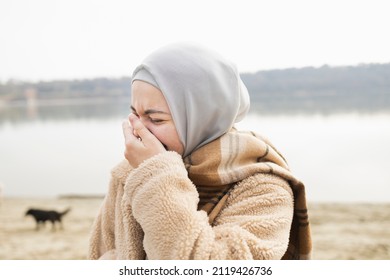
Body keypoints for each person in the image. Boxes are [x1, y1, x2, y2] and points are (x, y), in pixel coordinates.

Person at [88, 42, 312, 260]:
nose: (138, 131)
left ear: (203, 118)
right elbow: (100, 254)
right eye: (135, 115)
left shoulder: (265, 189)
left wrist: (157, 178)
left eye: (155, 118)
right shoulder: (131, 174)